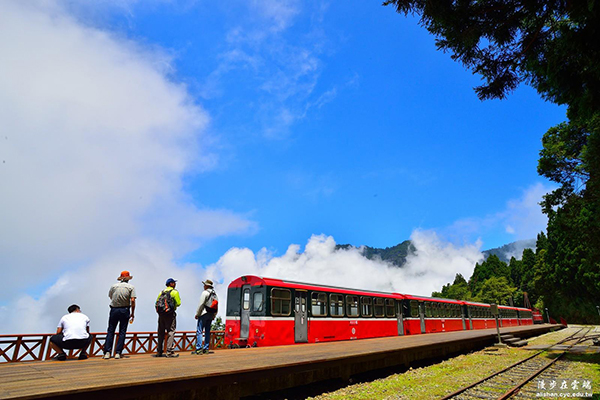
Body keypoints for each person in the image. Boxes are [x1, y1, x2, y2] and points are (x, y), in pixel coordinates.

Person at [103, 270, 136, 360]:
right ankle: (118, 352)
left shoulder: (114, 286)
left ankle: (107, 352)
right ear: (128, 279)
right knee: (122, 331)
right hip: (125, 309)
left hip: (114, 309)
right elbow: (132, 300)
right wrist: (132, 313)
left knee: (111, 330)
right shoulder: (131, 287)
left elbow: (110, 296)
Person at [155, 278, 181, 358]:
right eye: (174, 282)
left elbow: (156, 302)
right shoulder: (174, 292)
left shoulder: (162, 292)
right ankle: (169, 351)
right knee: (171, 331)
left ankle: (159, 351)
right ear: (171, 284)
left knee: (161, 332)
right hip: (170, 314)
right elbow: (179, 303)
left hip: (161, 314)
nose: (175, 284)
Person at [192, 279, 218, 355]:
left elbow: (201, 304)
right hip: (211, 314)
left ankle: (199, 349)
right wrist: (214, 315)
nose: (203, 286)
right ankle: (206, 348)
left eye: (204, 285)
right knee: (207, 331)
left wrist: (197, 314)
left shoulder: (205, 293)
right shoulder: (215, 295)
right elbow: (216, 306)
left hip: (204, 313)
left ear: (207, 286)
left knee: (199, 331)